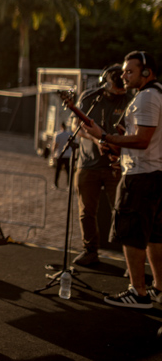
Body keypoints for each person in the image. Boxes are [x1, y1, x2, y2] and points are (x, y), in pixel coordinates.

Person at [81, 51, 162, 309]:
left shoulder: (147, 97)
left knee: (131, 234)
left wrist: (105, 137)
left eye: (130, 71)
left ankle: (138, 292)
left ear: (147, 72)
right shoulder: (156, 94)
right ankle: (158, 289)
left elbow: (142, 139)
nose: (123, 76)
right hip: (154, 173)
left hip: (140, 176)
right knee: (154, 236)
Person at [71, 64, 129, 266]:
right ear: (105, 83)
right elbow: (75, 127)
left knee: (122, 212)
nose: (118, 94)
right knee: (86, 212)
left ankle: (129, 260)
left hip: (118, 165)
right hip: (88, 164)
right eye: (115, 90)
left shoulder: (130, 98)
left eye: (122, 91)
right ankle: (90, 251)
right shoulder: (89, 98)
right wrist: (96, 140)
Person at [51, 121, 73, 188]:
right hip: (67, 155)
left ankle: (56, 184)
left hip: (60, 155)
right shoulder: (69, 135)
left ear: (61, 127)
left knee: (58, 171)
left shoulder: (58, 135)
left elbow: (55, 145)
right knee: (68, 171)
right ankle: (68, 184)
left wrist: (53, 154)